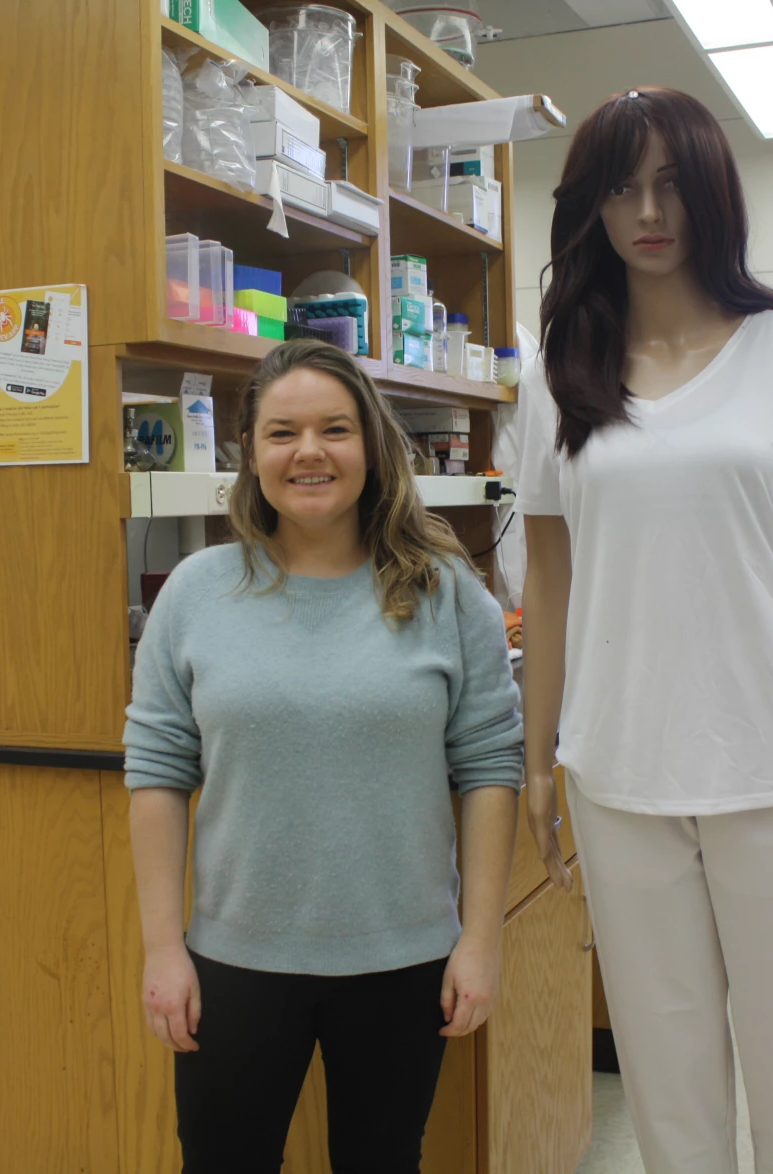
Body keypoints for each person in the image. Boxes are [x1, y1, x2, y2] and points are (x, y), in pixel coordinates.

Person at [517, 88, 773, 1173]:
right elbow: (545, 576)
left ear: (712, 194)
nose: (649, 210)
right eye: (621, 187)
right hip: (618, 772)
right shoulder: (554, 376)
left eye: (672, 183)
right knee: (666, 1087)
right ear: (589, 207)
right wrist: (538, 754)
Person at [124, 339, 523, 1172]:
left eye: (335, 429)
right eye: (282, 432)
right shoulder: (197, 594)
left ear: (372, 447)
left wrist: (479, 940)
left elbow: (490, 770)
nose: (309, 452)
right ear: (251, 453)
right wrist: (165, 949)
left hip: (404, 961)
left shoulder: (448, 594)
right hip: (233, 963)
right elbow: (158, 773)